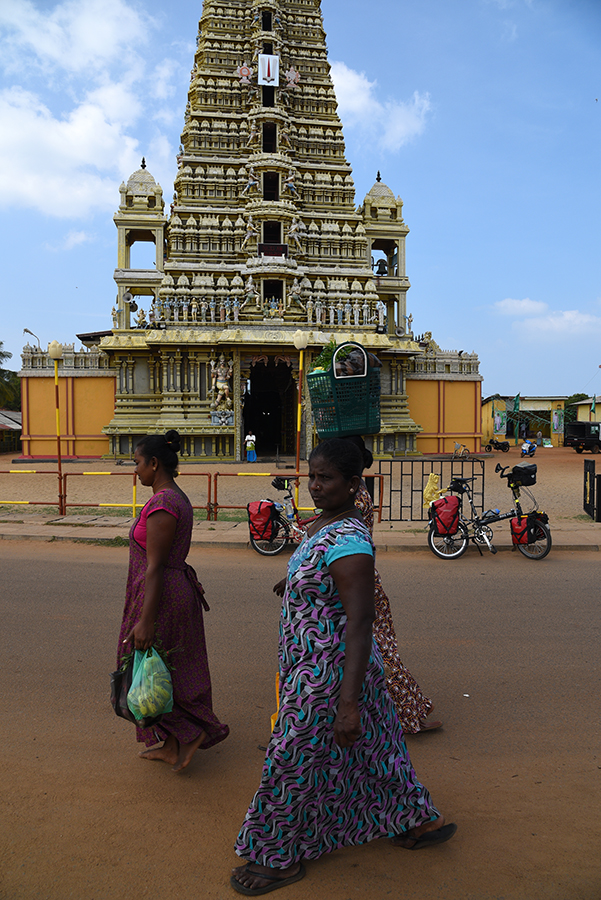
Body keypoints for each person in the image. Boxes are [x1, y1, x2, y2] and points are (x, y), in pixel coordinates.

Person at [231, 439, 456, 894]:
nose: (314, 485)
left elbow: (360, 621)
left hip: (329, 676)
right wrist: (294, 579)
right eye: (311, 476)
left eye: (326, 478)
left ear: (353, 484)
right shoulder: (327, 524)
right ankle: (414, 820)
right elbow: (320, 567)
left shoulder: (351, 539)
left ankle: (277, 856)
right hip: (316, 666)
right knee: (376, 750)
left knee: (290, 759)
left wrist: (347, 702)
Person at [117, 430, 229, 772]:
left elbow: (155, 567)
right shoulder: (169, 497)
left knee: (156, 670)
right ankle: (170, 744)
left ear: (154, 463)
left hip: (164, 598)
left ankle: (189, 732)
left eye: (137, 463)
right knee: (163, 668)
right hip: (167, 592)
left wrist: (146, 620)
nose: (135, 470)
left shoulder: (164, 503)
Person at [346, 435, 442, 734]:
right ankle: (406, 711)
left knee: (380, 652)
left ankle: (409, 714)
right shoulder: (355, 492)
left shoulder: (353, 498)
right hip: (357, 583)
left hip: (356, 586)